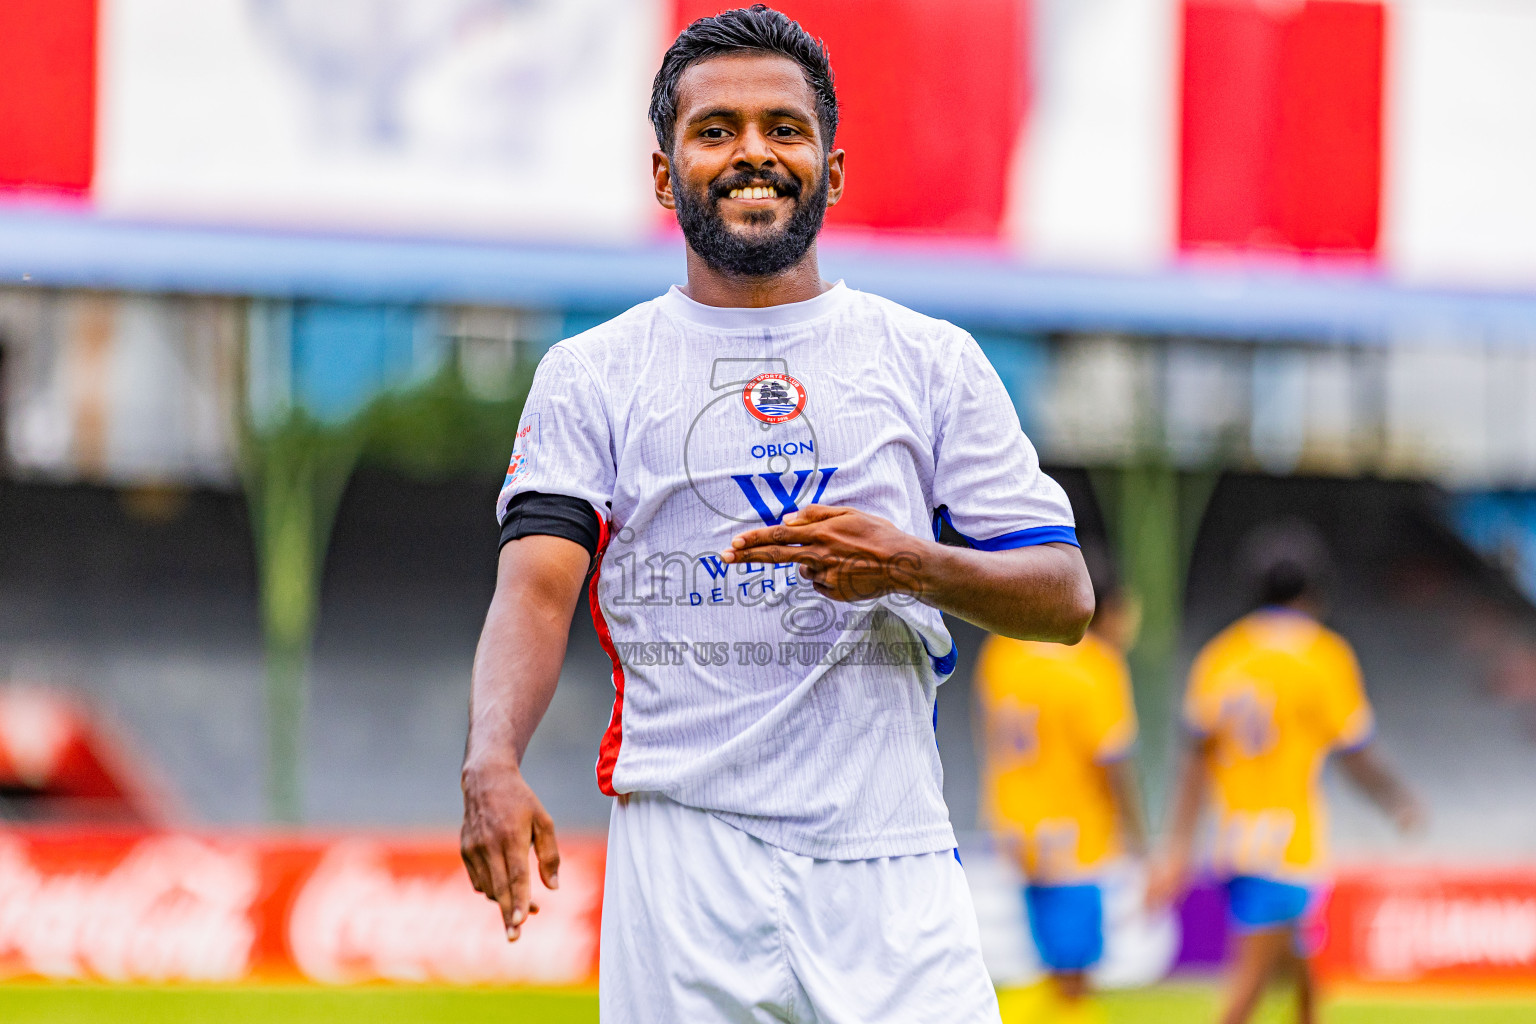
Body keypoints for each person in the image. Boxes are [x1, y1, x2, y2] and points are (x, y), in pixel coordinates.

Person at [458, 7, 1094, 1022]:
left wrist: (910, 564)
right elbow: (534, 593)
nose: (753, 151)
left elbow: (1063, 598)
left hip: (890, 856)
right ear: (665, 175)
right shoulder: (591, 374)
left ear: (830, 171)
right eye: (715, 130)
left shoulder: (929, 361)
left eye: (783, 128)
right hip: (683, 854)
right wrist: (491, 755)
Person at [1148, 526, 1421, 1024]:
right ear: (1314, 592)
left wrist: (1178, 847)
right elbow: (1355, 752)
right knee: (1246, 992)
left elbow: (1194, 763)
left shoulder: (1222, 656)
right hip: (1286, 844)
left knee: (1301, 972)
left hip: (1233, 841)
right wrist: (1397, 799)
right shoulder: (1322, 655)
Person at [974, 547, 1148, 1022]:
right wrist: (1138, 841)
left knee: (1052, 966)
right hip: (1076, 839)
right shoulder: (1094, 665)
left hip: (1019, 832)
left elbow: (987, 737)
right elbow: (1113, 764)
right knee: (1075, 981)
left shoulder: (1002, 651)